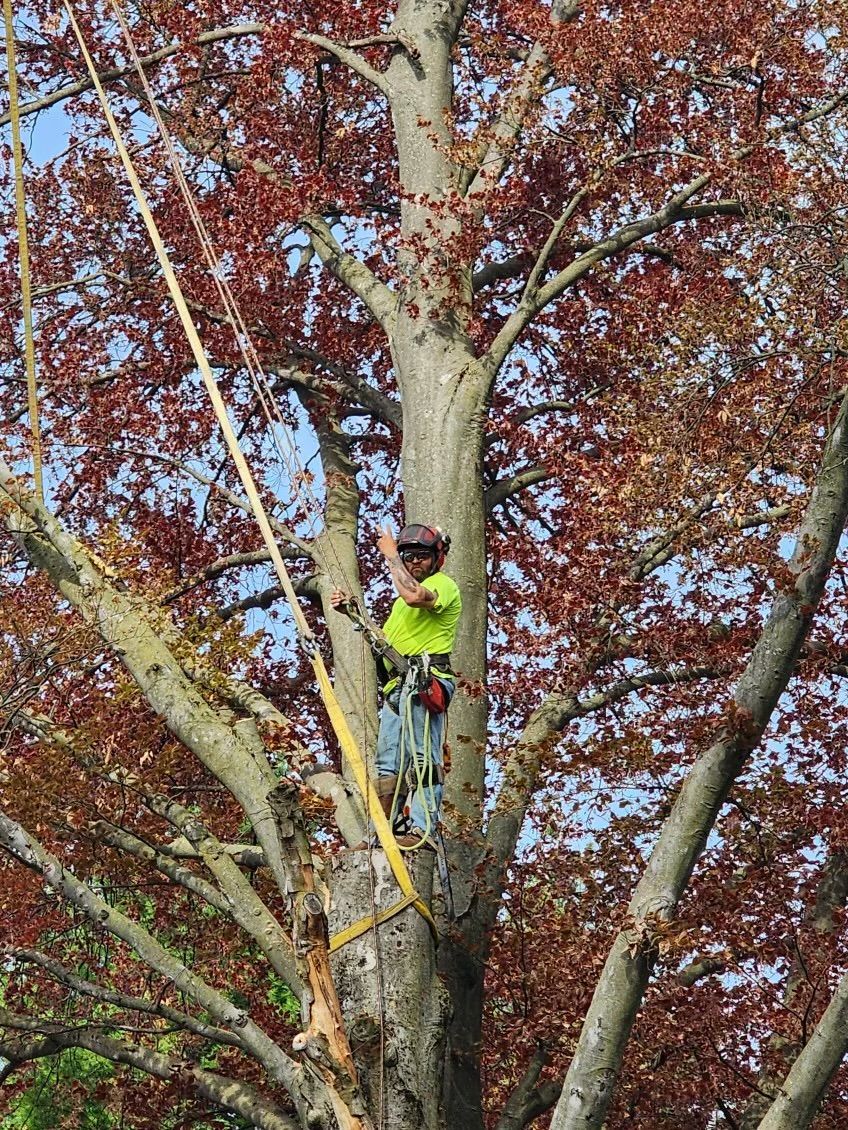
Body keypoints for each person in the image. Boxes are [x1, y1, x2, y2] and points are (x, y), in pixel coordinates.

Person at [331, 523, 462, 848]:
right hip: (397, 689)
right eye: (408, 557)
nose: (414, 563)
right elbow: (386, 641)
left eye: (420, 557)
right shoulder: (399, 607)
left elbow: (416, 595)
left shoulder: (443, 585)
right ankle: (382, 833)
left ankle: (422, 828)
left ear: (436, 559)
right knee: (388, 764)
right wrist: (353, 613)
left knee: (422, 757)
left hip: (423, 682)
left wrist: (391, 555)